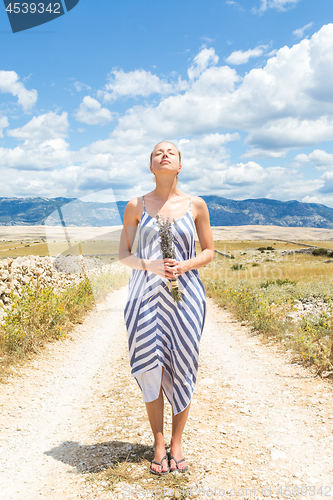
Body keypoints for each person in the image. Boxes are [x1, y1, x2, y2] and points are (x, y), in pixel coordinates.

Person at [119, 141, 214, 475]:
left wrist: (185, 266)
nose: (164, 155)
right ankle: (158, 443)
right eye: (157, 152)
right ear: (151, 166)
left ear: (179, 165)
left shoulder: (196, 205)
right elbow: (124, 254)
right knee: (150, 367)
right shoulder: (135, 205)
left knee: (183, 364)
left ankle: (176, 443)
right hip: (143, 298)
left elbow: (209, 252)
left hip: (185, 298)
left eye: (170, 152)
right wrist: (151, 265)